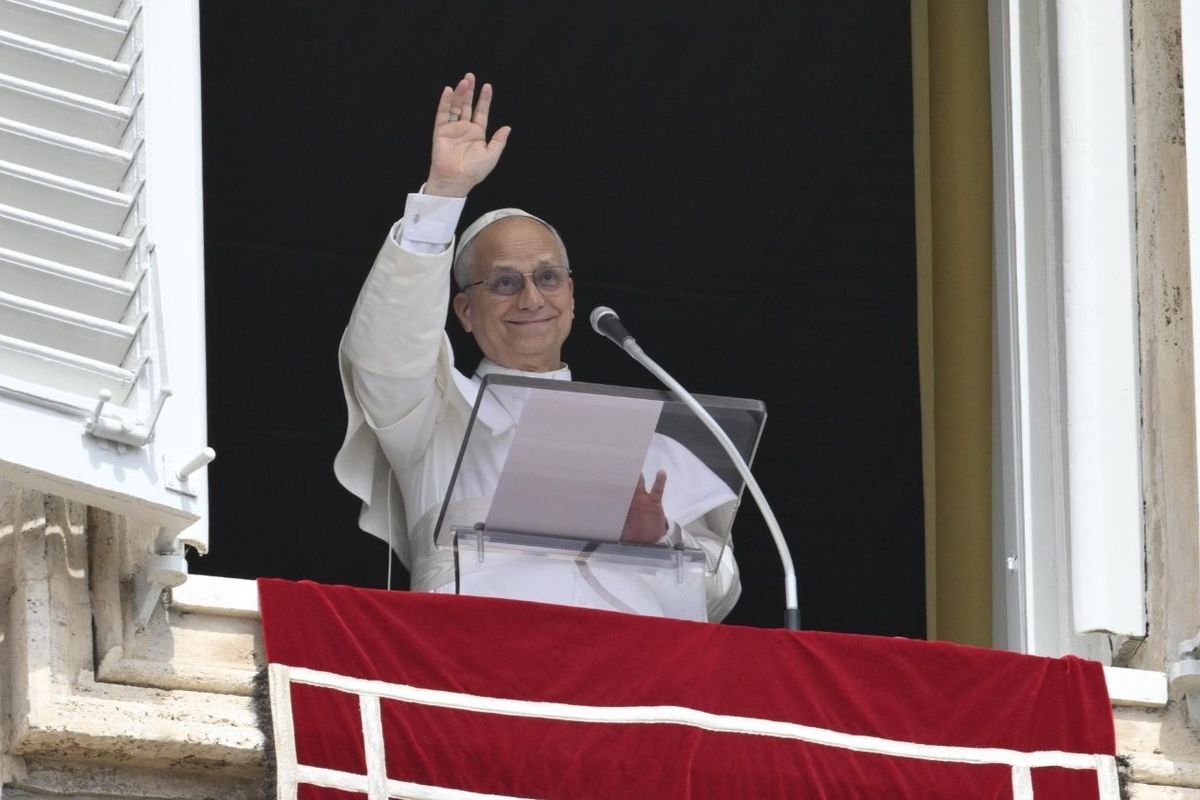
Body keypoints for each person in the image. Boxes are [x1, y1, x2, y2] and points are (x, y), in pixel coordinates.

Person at [334, 73, 740, 620]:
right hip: (474, 665)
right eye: (503, 282)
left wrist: (661, 534)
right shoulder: (433, 422)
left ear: (571, 296)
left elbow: (719, 586)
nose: (531, 298)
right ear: (465, 312)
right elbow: (385, 350)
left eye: (548, 278)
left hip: (630, 679)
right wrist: (443, 196)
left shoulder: (652, 444)